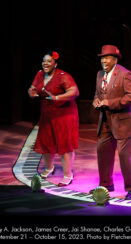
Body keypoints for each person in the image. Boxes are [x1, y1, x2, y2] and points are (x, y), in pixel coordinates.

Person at [91, 45, 131, 200]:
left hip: (124, 121)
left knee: (124, 155)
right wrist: (96, 101)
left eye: (106, 58)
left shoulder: (125, 74)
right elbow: (97, 93)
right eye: (102, 58)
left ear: (114, 60)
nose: (103, 61)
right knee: (102, 151)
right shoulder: (100, 74)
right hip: (106, 120)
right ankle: (106, 185)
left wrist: (109, 102)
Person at [28, 51, 79, 187]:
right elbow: (32, 88)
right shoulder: (39, 74)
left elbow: (74, 91)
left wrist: (57, 98)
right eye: (44, 61)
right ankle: (49, 168)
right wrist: (32, 93)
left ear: (55, 64)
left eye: (49, 61)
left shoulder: (63, 76)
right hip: (47, 114)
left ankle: (68, 174)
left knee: (64, 144)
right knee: (46, 142)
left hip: (64, 115)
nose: (45, 63)